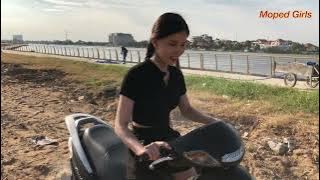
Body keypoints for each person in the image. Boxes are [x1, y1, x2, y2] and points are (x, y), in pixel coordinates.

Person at [115, 12, 221, 180]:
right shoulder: (136, 75)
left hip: (169, 140)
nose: (179, 51)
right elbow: (120, 125)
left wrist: (215, 123)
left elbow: (187, 110)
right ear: (155, 42)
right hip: (143, 144)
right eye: (172, 44)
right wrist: (141, 150)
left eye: (183, 45)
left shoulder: (176, 75)